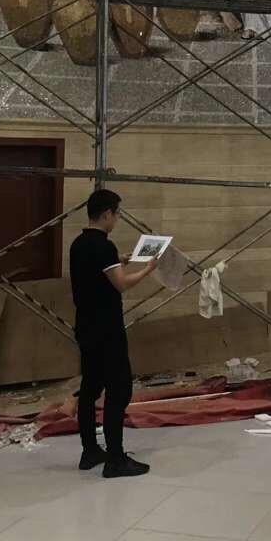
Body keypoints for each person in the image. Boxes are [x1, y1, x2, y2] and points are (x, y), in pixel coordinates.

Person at [70, 189, 155, 478]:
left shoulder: (79, 244)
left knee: (90, 389)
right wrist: (148, 269)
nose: (116, 219)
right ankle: (116, 459)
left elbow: (96, 271)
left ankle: (90, 451)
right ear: (107, 213)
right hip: (107, 329)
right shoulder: (104, 246)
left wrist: (120, 260)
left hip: (85, 327)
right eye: (116, 214)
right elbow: (121, 284)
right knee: (119, 390)